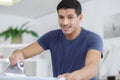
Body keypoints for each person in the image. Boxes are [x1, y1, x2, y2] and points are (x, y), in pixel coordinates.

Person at [9, 0, 103, 80]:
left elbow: (92, 67)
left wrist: (76, 76)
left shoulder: (93, 39)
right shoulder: (51, 37)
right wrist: (17, 54)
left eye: (70, 17)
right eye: (61, 17)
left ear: (80, 18)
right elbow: (23, 53)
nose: (65, 23)